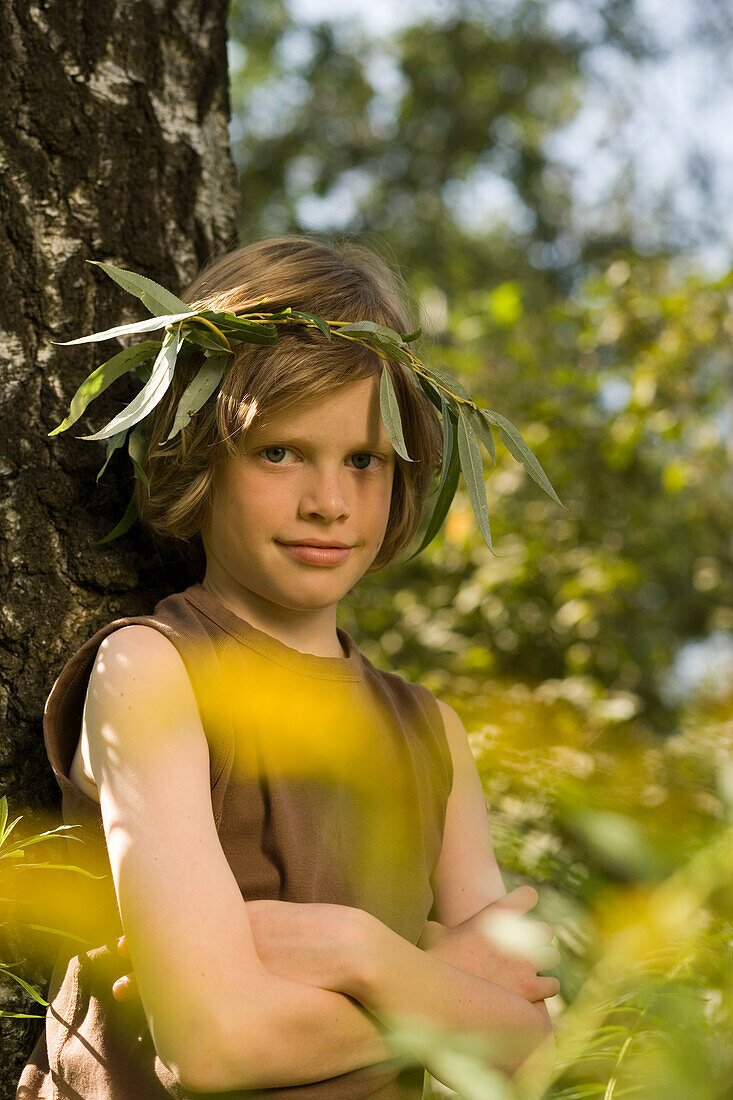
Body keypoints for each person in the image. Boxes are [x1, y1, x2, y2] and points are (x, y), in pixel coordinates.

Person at [17, 235, 560, 1099]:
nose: (328, 502)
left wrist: (361, 952)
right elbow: (216, 1046)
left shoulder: (429, 734)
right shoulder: (154, 670)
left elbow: (532, 1049)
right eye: (279, 452)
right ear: (199, 451)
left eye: (363, 460)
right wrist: (444, 983)